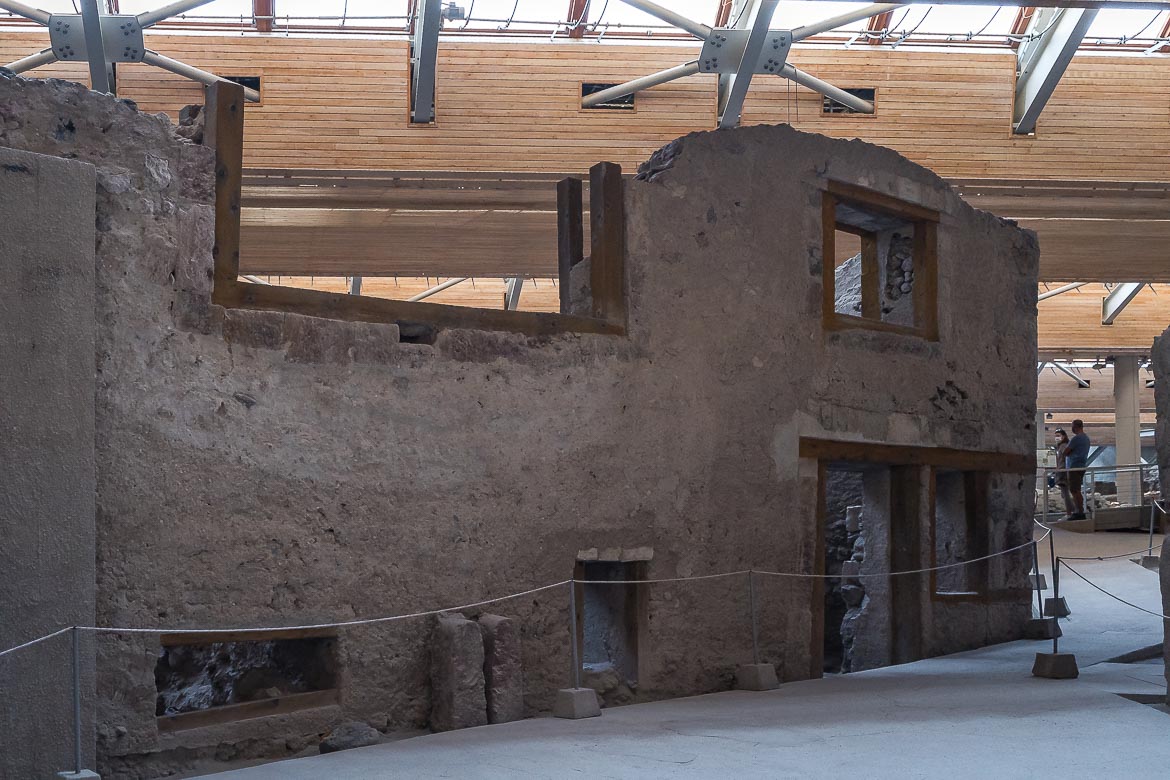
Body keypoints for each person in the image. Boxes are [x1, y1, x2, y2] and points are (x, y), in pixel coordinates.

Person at [1065, 419, 1091, 520]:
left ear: (1075, 427)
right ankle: (1079, 510)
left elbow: (1066, 452)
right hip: (1081, 465)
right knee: (1076, 489)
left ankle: (1079, 511)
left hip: (1074, 466)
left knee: (1075, 490)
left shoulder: (1076, 439)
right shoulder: (1086, 439)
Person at [1053, 428, 1074, 519]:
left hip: (1063, 472)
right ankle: (1072, 510)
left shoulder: (1063, 446)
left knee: (1065, 493)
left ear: (1064, 436)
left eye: (1058, 436)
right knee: (1064, 493)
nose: (1057, 438)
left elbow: (1066, 457)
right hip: (1061, 470)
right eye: (1056, 436)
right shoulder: (1061, 447)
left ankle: (1070, 512)